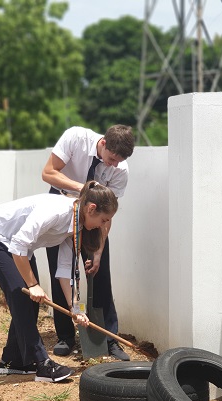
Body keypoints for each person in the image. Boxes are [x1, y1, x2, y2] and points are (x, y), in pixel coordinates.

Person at [0, 181, 118, 382]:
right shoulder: (57, 211)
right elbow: (18, 244)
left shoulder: (76, 226)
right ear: (91, 208)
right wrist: (32, 285)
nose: (103, 226)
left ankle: (13, 362)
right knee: (22, 295)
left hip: (20, 247)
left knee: (30, 302)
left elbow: (64, 271)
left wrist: (74, 308)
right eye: (104, 220)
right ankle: (42, 364)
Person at [42, 124, 135, 360]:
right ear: (103, 143)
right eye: (111, 158)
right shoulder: (76, 138)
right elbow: (49, 172)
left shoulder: (120, 169)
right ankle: (65, 336)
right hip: (60, 211)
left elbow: (107, 213)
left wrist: (99, 251)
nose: (113, 165)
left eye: (118, 161)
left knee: (101, 275)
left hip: (93, 218)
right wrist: (85, 191)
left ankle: (109, 339)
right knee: (60, 272)